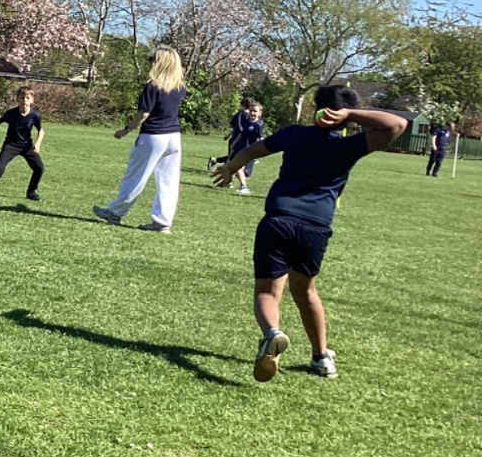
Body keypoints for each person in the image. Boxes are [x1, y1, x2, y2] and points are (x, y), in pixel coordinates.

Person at [215, 85, 407, 381]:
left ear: (317, 109)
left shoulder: (294, 134)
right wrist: (351, 114)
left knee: (267, 291)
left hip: (278, 219)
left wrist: (231, 167)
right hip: (315, 228)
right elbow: (397, 124)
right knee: (305, 291)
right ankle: (321, 358)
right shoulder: (349, 146)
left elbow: (253, 149)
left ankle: (272, 333)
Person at [93, 45, 186, 232]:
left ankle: (115, 212)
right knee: (168, 181)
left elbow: (144, 113)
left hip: (153, 136)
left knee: (135, 176)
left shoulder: (153, 86)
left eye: (153, 59)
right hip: (174, 137)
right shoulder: (179, 87)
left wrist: (126, 130)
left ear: (160, 63)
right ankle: (163, 221)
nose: (150, 62)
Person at [0, 86, 45, 201]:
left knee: (39, 168)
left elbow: (41, 130)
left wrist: (37, 144)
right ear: (17, 99)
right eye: (22, 97)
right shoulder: (11, 113)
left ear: (32, 101)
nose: (24, 100)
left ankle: (31, 192)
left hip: (26, 146)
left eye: (27, 98)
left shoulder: (35, 115)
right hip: (11, 145)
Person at [226, 100, 266, 194]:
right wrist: (234, 143)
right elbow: (241, 134)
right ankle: (228, 183)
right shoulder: (246, 122)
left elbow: (261, 139)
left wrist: (259, 150)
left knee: (238, 167)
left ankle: (244, 187)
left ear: (260, 113)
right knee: (229, 164)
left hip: (247, 150)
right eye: (251, 110)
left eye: (255, 111)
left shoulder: (258, 126)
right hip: (238, 147)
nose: (252, 113)